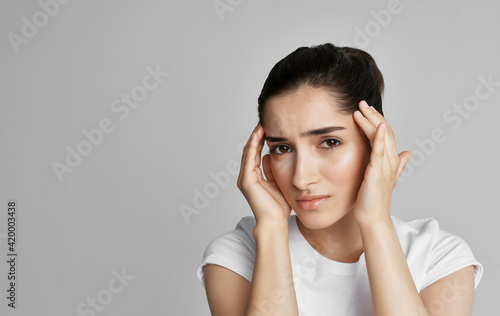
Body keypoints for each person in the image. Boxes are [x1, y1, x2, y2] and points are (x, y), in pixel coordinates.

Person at [197, 43, 483, 315]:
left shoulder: (438, 256)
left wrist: (375, 222)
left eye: (329, 142)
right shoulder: (237, 256)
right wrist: (271, 229)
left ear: (374, 144)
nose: (301, 177)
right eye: (282, 148)